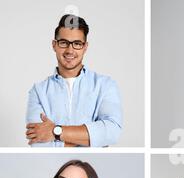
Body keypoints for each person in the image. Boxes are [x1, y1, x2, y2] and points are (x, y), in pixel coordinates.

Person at [25, 14, 122, 147]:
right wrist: (91, 140)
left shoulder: (105, 85)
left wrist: (55, 131)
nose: (70, 50)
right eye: (64, 43)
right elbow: (39, 144)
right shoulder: (38, 91)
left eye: (77, 43)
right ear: (54, 45)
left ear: (85, 47)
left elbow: (112, 132)